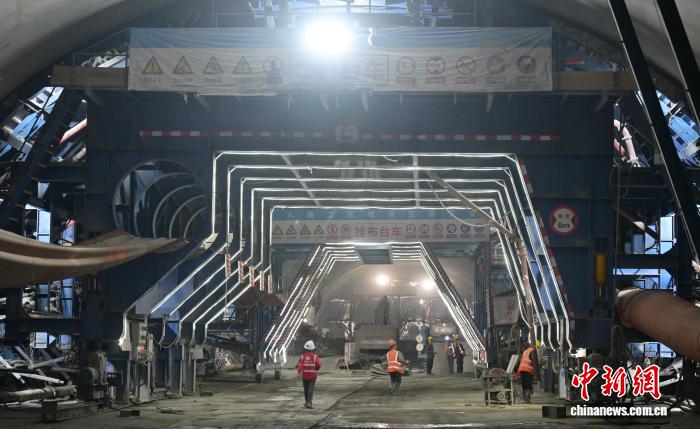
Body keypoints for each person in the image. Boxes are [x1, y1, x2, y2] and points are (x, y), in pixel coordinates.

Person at [297, 340, 321, 409]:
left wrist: (299, 373)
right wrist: (316, 369)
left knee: (306, 390)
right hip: (312, 377)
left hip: (305, 376)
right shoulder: (315, 357)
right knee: (310, 390)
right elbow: (319, 364)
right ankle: (309, 403)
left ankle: (306, 402)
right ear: (312, 349)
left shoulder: (302, 357)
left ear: (305, 348)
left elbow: (300, 365)